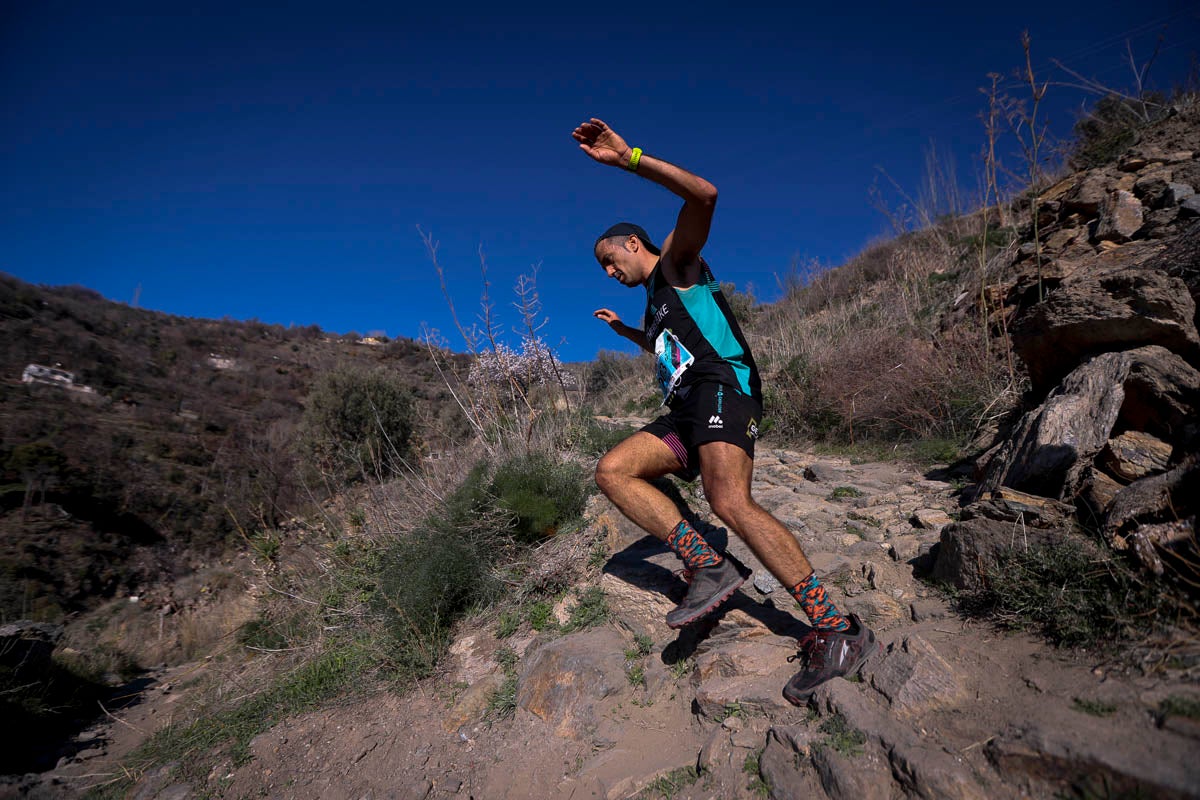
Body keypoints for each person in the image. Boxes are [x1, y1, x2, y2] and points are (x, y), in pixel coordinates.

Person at [572, 117, 877, 704]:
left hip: (722, 386)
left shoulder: (676, 264)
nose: (609, 274)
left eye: (610, 261)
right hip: (686, 406)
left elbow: (705, 195)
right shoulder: (655, 303)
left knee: (729, 501)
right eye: (603, 271)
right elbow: (669, 349)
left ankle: (836, 627)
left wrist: (629, 158)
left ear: (633, 243)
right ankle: (709, 566)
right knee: (612, 470)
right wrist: (629, 333)